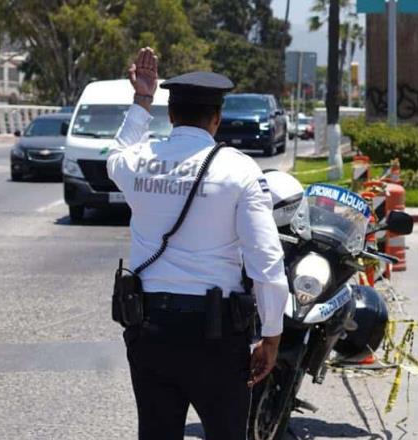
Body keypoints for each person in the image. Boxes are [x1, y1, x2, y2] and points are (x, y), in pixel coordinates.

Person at [107, 47, 290, 440]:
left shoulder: (138, 161)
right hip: (217, 338)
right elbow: (266, 262)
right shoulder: (238, 169)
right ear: (217, 119)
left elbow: (115, 154)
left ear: (170, 115)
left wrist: (141, 100)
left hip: (149, 330)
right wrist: (272, 334)